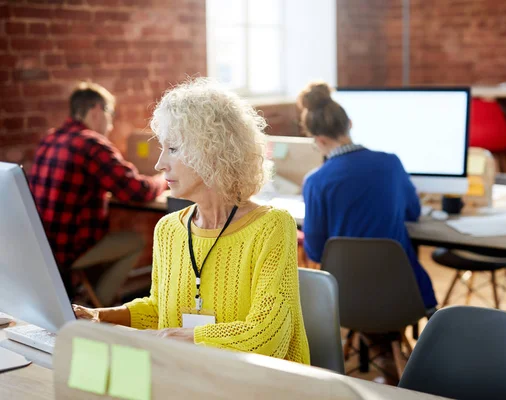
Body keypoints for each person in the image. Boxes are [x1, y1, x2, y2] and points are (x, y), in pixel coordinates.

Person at [73, 78, 310, 365]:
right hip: (191, 375)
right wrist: (100, 315)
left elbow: (268, 337)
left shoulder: (271, 226)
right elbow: (160, 310)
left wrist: (189, 339)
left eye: (173, 149)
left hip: (256, 385)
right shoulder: (169, 229)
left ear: (212, 153)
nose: (160, 164)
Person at [298, 82, 437, 310]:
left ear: (319, 140)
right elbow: (414, 212)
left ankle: (367, 342)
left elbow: (314, 250)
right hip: (403, 294)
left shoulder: (315, 181)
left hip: (346, 302)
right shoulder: (391, 162)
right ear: (350, 124)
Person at [29, 81, 166, 305]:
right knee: (135, 241)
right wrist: (163, 180)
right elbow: (137, 191)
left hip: (42, 246)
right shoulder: (91, 144)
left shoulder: (50, 138)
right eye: (110, 115)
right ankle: (96, 306)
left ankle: (86, 296)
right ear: (96, 111)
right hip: (69, 251)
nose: (111, 125)